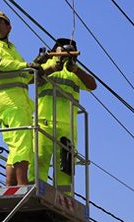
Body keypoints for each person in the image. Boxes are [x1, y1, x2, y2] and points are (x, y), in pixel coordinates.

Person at [0, 10, 47, 186]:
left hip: (19, 103)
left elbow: (23, 76)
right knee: (21, 145)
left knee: (18, 146)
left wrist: (40, 68)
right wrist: (27, 65)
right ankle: (22, 186)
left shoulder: (12, 50)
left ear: (9, 27)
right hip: (7, 102)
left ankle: (10, 185)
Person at [29, 38, 97, 194]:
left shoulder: (73, 71)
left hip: (67, 128)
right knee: (39, 160)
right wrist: (52, 67)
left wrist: (76, 69)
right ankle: (35, 192)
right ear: (55, 51)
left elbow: (92, 85)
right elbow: (30, 78)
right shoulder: (46, 64)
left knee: (65, 169)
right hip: (43, 122)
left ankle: (64, 198)